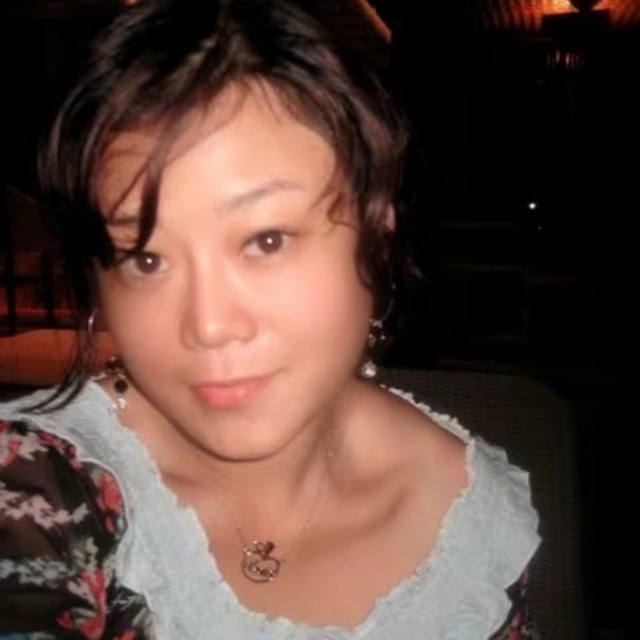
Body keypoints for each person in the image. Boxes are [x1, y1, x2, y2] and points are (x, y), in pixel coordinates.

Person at [0, 0, 540, 637]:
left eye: (266, 240)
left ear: (377, 228)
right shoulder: (35, 491)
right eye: (146, 258)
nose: (208, 326)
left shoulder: (466, 518)